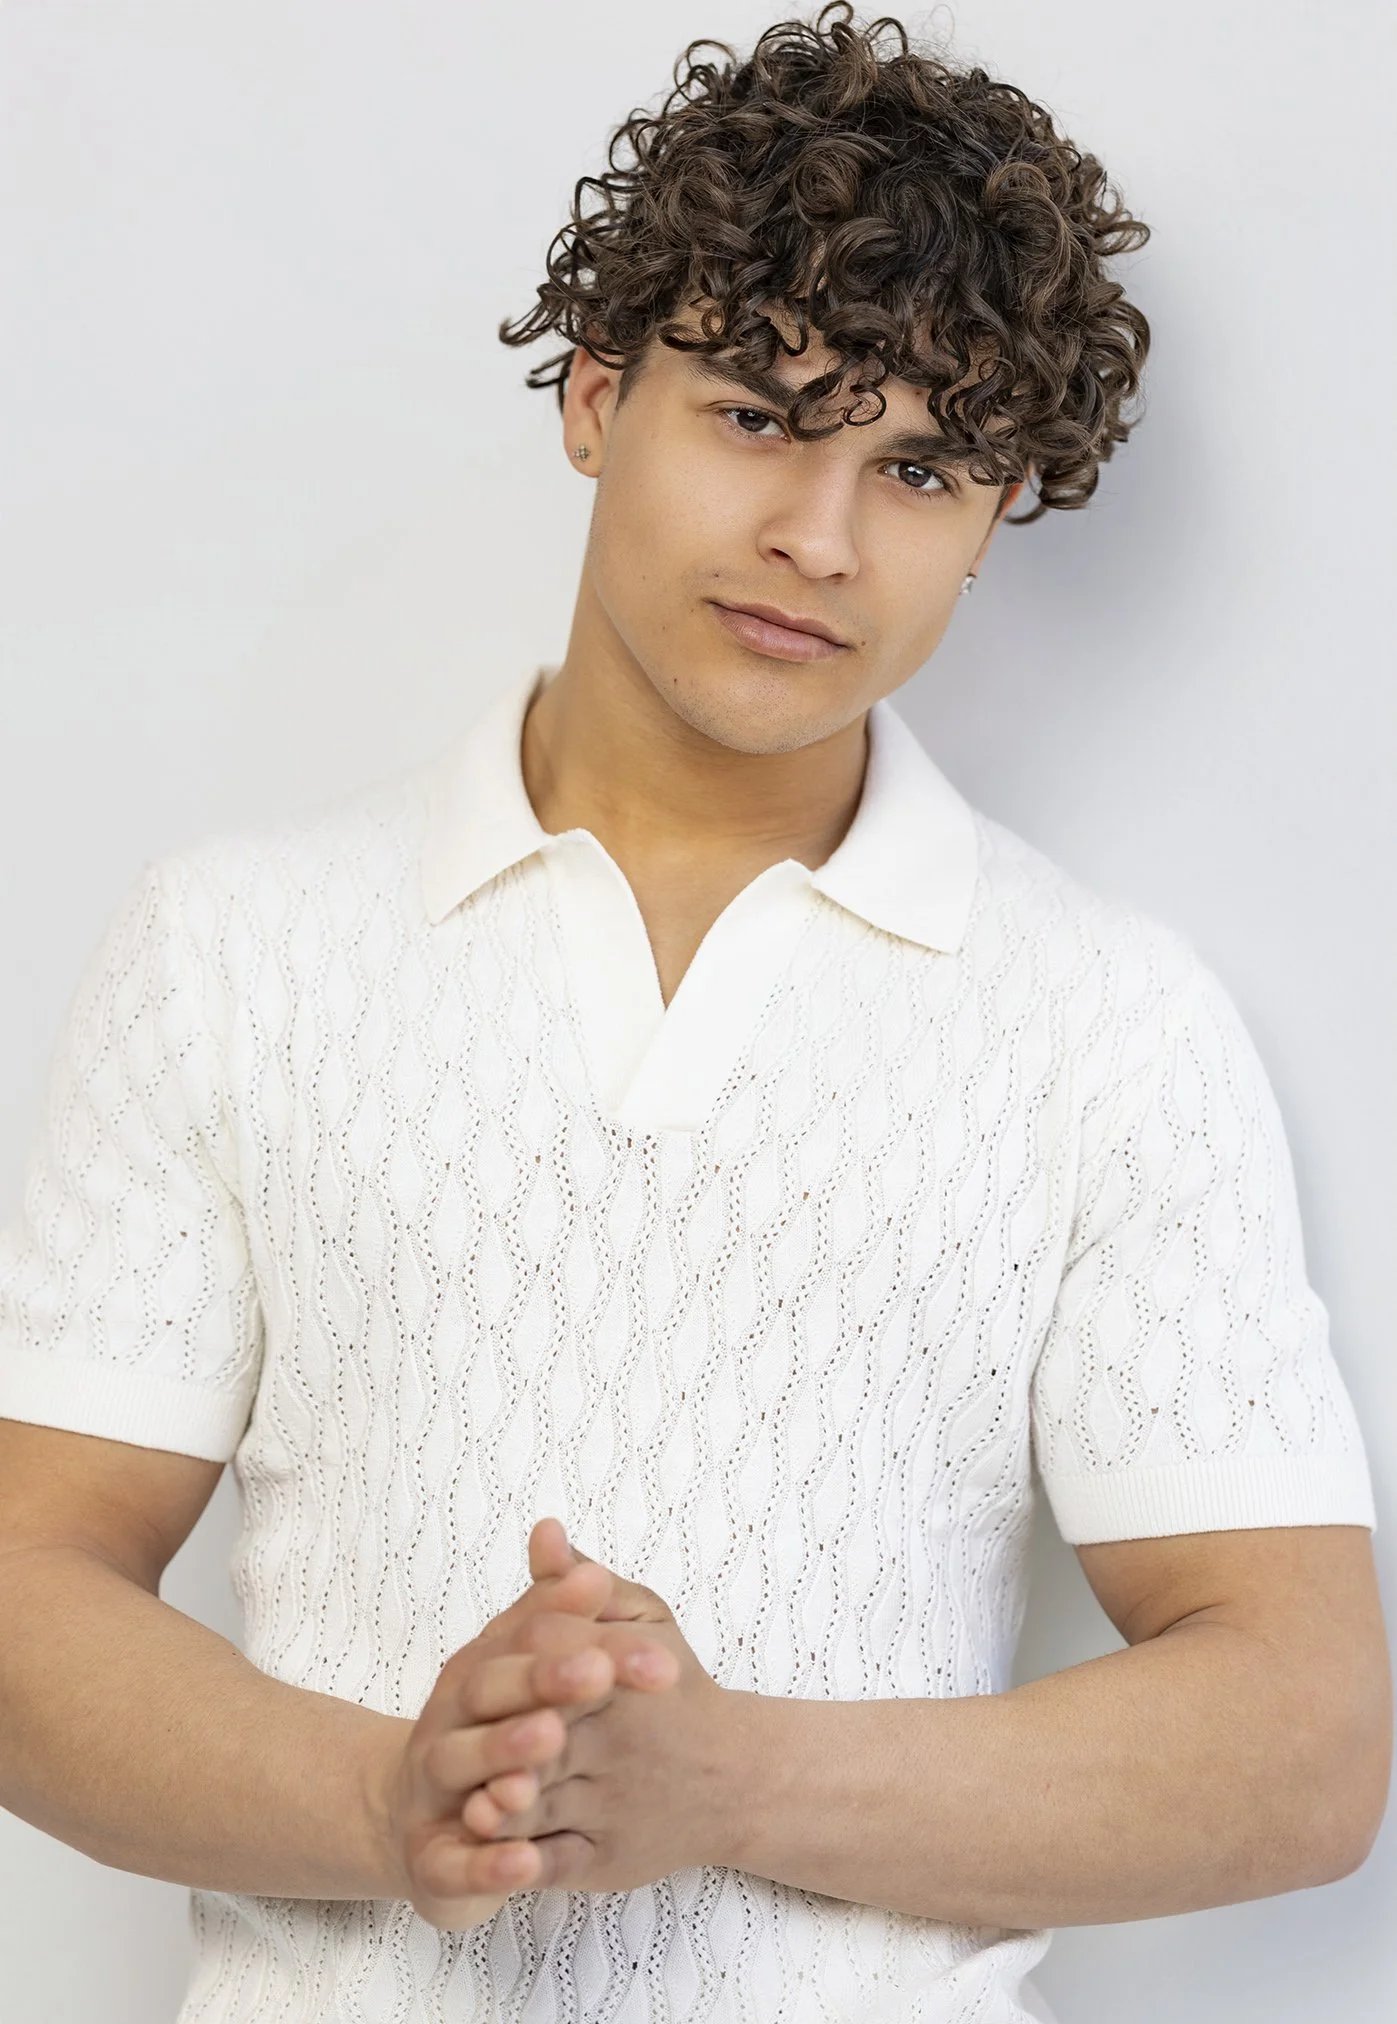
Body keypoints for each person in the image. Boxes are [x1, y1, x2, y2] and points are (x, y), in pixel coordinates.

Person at [0, 7, 1387, 2021]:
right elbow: (26, 1595)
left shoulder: (1102, 1024)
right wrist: (397, 1795)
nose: (816, 540)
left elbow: (1300, 1737)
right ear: (589, 396)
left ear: (998, 511)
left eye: (915, 463)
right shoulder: (234, 948)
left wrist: (724, 1775)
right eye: (753, 412)